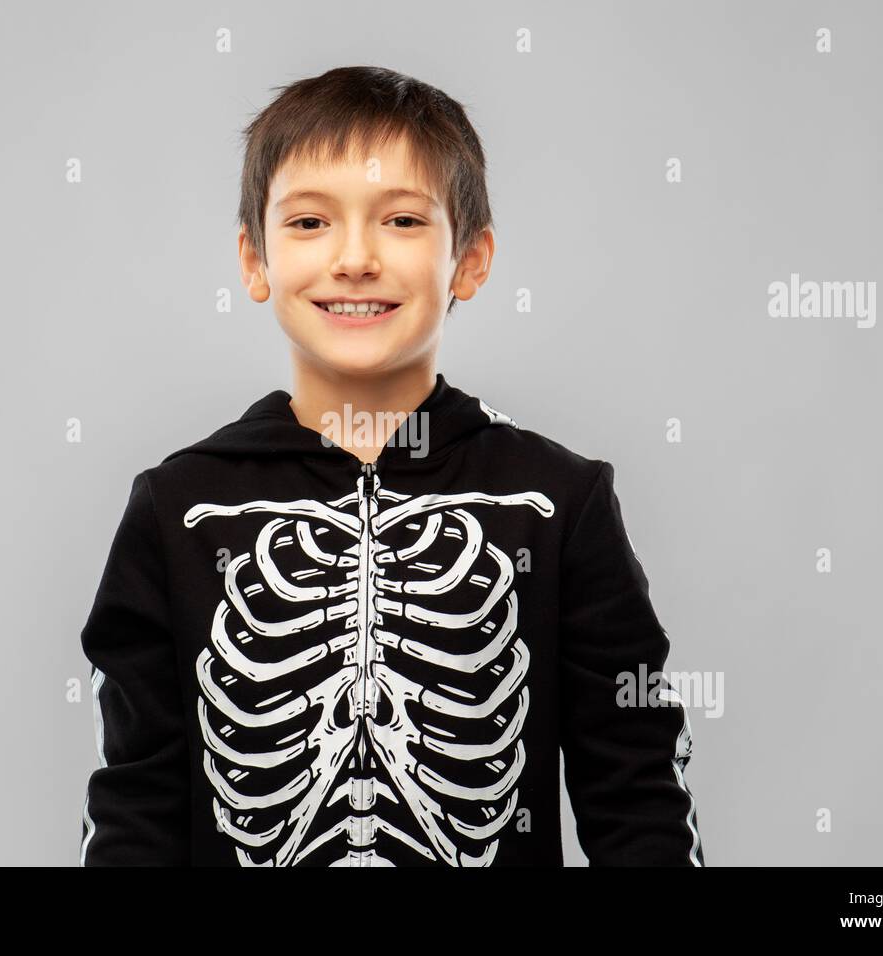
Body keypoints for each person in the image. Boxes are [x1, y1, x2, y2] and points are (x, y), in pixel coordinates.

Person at [78, 65, 705, 867]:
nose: (354, 259)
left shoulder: (559, 501)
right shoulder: (178, 509)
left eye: (403, 221)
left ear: (471, 262)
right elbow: (134, 809)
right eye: (309, 223)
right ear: (254, 260)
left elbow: (640, 802)